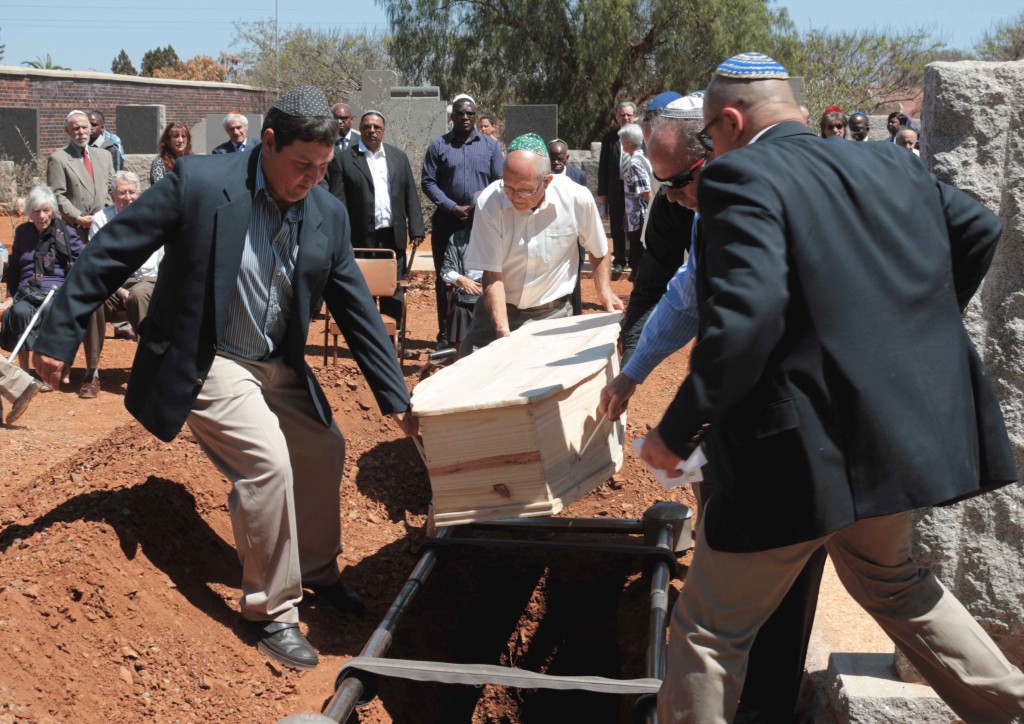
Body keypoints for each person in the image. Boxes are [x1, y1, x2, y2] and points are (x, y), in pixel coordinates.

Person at [640, 51, 1024, 723]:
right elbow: (978, 227)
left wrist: (675, 433)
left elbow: (747, 317)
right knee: (898, 585)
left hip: (790, 458)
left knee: (707, 632)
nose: (711, 150)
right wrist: (907, 332)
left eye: (708, 136)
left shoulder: (741, 176)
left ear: (730, 120)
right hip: (889, 439)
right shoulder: (888, 162)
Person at [32, 86, 417, 672]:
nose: (313, 178)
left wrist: (397, 399)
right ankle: (269, 611)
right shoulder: (200, 183)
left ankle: (315, 568)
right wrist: (58, 333)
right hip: (208, 356)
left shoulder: (328, 214)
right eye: (301, 165)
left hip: (275, 360)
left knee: (323, 446)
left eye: (323, 166)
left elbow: (358, 311)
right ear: (268, 142)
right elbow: (112, 250)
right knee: (267, 463)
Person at [602, 94, 826, 724]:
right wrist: (632, 373)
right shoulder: (716, 204)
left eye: (674, 184)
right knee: (891, 588)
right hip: (783, 422)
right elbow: (687, 294)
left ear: (715, 148)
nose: (668, 198)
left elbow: (734, 335)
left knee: (719, 615)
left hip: (785, 421)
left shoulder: (750, 199)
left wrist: (673, 431)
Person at [459, 134, 622, 356]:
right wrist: (502, 332)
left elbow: (598, 249)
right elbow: (492, 274)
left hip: (552, 315)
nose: (514, 197)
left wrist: (604, 290)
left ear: (546, 181)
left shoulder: (576, 198)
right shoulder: (490, 201)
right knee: (474, 369)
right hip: (497, 310)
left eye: (524, 190)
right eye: (508, 187)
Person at [327, 110, 425, 325]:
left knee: (394, 288)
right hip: (361, 237)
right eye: (367, 127)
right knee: (364, 289)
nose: (372, 131)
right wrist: (340, 235)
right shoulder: (344, 160)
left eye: (376, 127)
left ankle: (392, 340)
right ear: (360, 130)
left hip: (392, 236)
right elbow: (337, 202)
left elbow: (410, 193)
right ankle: (370, 341)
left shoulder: (398, 157)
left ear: (383, 131)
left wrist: (417, 227)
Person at [421, 95, 504, 347]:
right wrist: (452, 207)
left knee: (487, 272)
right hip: (448, 221)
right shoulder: (439, 146)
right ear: (452, 117)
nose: (465, 117)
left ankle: (485, 327)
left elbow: (499, 181)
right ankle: (446, 333)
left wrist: (480, 208)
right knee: (446, 277)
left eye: (470, 114)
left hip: (483, 222)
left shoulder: (490, 147)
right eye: (460, 114)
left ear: (475, 117)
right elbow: (428, 181)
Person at [1, 185, 87, 387]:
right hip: (27, 290)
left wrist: (71, 292)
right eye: (37, 211)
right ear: (30, 212)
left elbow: (80, 263)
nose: (41, 216)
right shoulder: (23, 232)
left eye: (46, 210)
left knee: (51, 311)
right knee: (20, 312)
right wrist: (10, 296)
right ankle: (24, 372)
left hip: (58, 290)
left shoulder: (66, 232)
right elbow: (14, 268)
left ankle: (47, 371)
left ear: (53, 210)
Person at [83, 170, 162, 354]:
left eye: (131, 192)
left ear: (139, 194)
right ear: (112, 196)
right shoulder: (101, 219)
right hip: (112, 282)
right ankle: (92, 371)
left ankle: (146, 363)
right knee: (93, 301)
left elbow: (161, 259)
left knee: (138, 295)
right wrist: (119, 290)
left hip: (147, 280)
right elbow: (98, 262)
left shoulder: (154, 217)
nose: (128, 197)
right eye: (122, 192)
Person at [47, 110, 114, 234]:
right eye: (76, 128)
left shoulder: (105, 156)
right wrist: (78, 218)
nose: (81, 132)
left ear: (90, 128)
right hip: (76, 228)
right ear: (67, 130)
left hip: (104, 224)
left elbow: (111, 188)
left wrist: (103, 214)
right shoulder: (58, 159)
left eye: (84, 127)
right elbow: (57, 194)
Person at [547, 138, 588, 315]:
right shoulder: (541, 175)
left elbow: (584, 206)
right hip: (550, 234)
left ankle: (576, 313)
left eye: (560, 158)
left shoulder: (578, 176)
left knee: (574, 278)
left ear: (567, 157)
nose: (556, 162)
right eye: (552, 157)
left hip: (573, 235)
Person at [598, 101, 637, 273]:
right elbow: (603, 166)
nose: (626, 117)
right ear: (617, 117)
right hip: (616, 188)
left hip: (636, 189)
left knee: (636, 223)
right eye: (622, 115)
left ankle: (636, 260)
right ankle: (619, 259)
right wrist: (602, 191)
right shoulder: (610, 138)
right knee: (616, 225)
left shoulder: (641, 136)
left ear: (634, 116)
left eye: (629, 114)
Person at [619, 123, 651, 277]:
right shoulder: (643, 158)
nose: (621, 144)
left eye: (622, 141)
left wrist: (651, 215)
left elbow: (646, 191)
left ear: (627, 143)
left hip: (639, 217)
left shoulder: (634, 163)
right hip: (638, 216)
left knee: (638, 258)